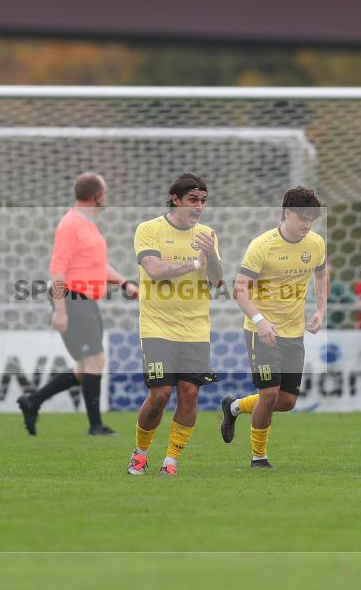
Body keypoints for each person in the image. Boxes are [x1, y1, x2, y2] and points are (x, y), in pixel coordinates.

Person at [16, 172, 136, 436]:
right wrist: (60, 310)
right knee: (96, 359)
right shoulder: (70, 225)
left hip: (85, 300)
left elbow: (97, 265)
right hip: (72, 299)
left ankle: (33, 401)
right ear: (98, 195)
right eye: (105, 192)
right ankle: (95, 426)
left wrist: (124, 283)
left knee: (84, 366)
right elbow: (57, 270)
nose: (107, 196)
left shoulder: (87, 225)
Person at [219, 187, 328, 468]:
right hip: (261, 332)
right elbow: (239, 290)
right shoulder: (262, 246)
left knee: (288, 400)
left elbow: (321, 273)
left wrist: (321, 309)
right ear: (286, 213)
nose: (307, 224)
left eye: (311, 219)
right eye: (302, 217)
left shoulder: (315, 244)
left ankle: (234, 407)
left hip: (294, 332)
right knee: (269, 394)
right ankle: (259, 457)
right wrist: (260, 320)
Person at [126, 172, 224, 477]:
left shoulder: (207, 233)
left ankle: (170, 460)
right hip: (157, 325)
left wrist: (210, 255)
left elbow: (217, 280)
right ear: (175, 199)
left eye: (203, 201)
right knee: (160, 394)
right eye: (193, 200)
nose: (198, 206)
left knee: (190, 393)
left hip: (195, 327)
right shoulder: (149, 229)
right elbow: (154, 270)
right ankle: (140, 453)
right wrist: (195, 263)